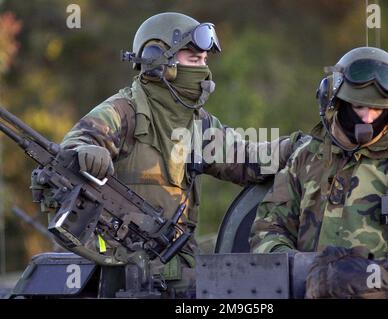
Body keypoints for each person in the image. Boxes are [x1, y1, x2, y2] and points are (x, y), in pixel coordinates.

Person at [57, 12, 297, 298]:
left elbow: (249, 159)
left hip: (176, 270)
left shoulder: (198, 123)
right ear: (160, 61)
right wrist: (88, 152)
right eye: (194, 60)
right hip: (117, 271)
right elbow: (73, 149)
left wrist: (301, 147)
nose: (203, 70)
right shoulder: (123, 111)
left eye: (205, 61)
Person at [250, 47, 388, 298]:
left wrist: (381, 275)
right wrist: (298, 269)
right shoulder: (308, 157)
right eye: (358, 106)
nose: (367, 118)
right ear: (335, 101)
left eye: (378, 110)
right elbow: (269, 228)